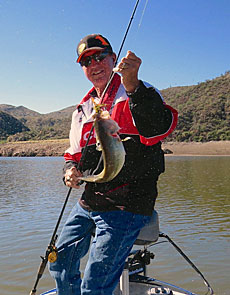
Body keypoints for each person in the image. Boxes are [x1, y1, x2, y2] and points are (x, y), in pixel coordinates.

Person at [49, 34, 178, 295]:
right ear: (82, 69)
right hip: (90, 200)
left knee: (95, 283)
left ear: (113, 59)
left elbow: (157, 128)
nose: (94, 64)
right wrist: (69, 172)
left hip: (127, 205)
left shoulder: (138, 93)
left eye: (100, 57)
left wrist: (133, 86)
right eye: (86, 61)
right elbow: (72, 154)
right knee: (60, 262)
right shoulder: (83, 109)